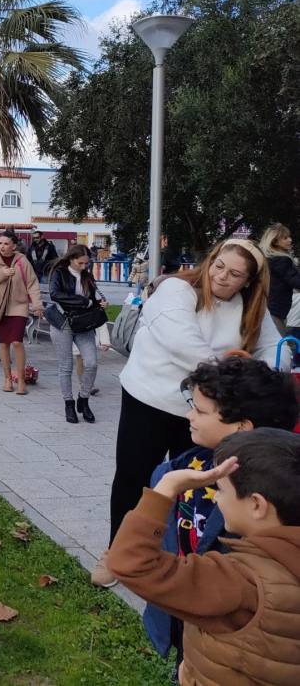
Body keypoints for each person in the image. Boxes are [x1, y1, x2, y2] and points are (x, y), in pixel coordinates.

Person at [95, 238, 282, 588]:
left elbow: (275, 349)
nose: (222, 276)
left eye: (235, 274)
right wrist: (230, 375)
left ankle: (181, 550)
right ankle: (117, 551)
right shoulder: (177, 290)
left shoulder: (251, 307)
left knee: (196, 483)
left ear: (249, 281)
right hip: (150, 399)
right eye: (219, 266)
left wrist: (261, 373)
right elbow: (181, 341)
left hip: (204, 412)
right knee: (134, 476)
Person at [141, 356, 299, 675]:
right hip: (184, 620)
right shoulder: (183, 468)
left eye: (200, 411)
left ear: (242, 428)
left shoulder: (267, 500)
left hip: (232, 644)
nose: (189, 415)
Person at [107, 429, 300, 686]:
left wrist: (167, 486)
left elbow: (131, 563)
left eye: (221, 490)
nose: (217, 498)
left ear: (257, 505)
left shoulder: (241, 579)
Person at [45, 245, 109, 425]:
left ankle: (84, 399)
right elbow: (55, 294)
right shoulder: (59, 273)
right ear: (71, 259)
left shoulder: (87, 275)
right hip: (62, 322)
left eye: (86, 263)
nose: (84, 266)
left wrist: (99, 303)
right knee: (66, 366)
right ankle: (69, 404)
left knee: (91, 363)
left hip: (83, 323)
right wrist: (84, 302)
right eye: (80, 263)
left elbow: (93, 298)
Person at [0, 231, 43, 395]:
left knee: (16, 342)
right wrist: (1, 274)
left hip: (18, 306)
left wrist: (37, 304)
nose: (2, 246)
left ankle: (21, 380)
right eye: (0, 243)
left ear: (14, 246)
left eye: (6, 244)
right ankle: (7, 378)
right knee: (4, 343)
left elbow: (32, 283)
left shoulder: (22, 261)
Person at [260, 223, 300, 340]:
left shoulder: (269, 259)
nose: (290, 240)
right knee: (279, 343)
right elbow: (295, 281)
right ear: (275, 242)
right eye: (285, 238)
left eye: (289, 237)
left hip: (269, 307)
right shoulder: (281, 260)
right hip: (275, 309)